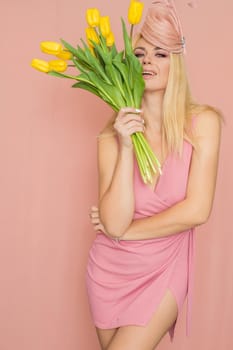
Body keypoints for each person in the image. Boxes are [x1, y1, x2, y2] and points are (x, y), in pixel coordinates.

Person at [86, 1, 223, 349]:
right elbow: (112, 224)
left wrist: (127, 233)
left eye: (160, 53)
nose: (147, 61)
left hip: (166, 266)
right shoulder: (109, 137)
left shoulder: (203, 123)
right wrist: (127, 144)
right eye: (140, 53)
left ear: (176, 61)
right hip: (111, 268)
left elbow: (197, 211)